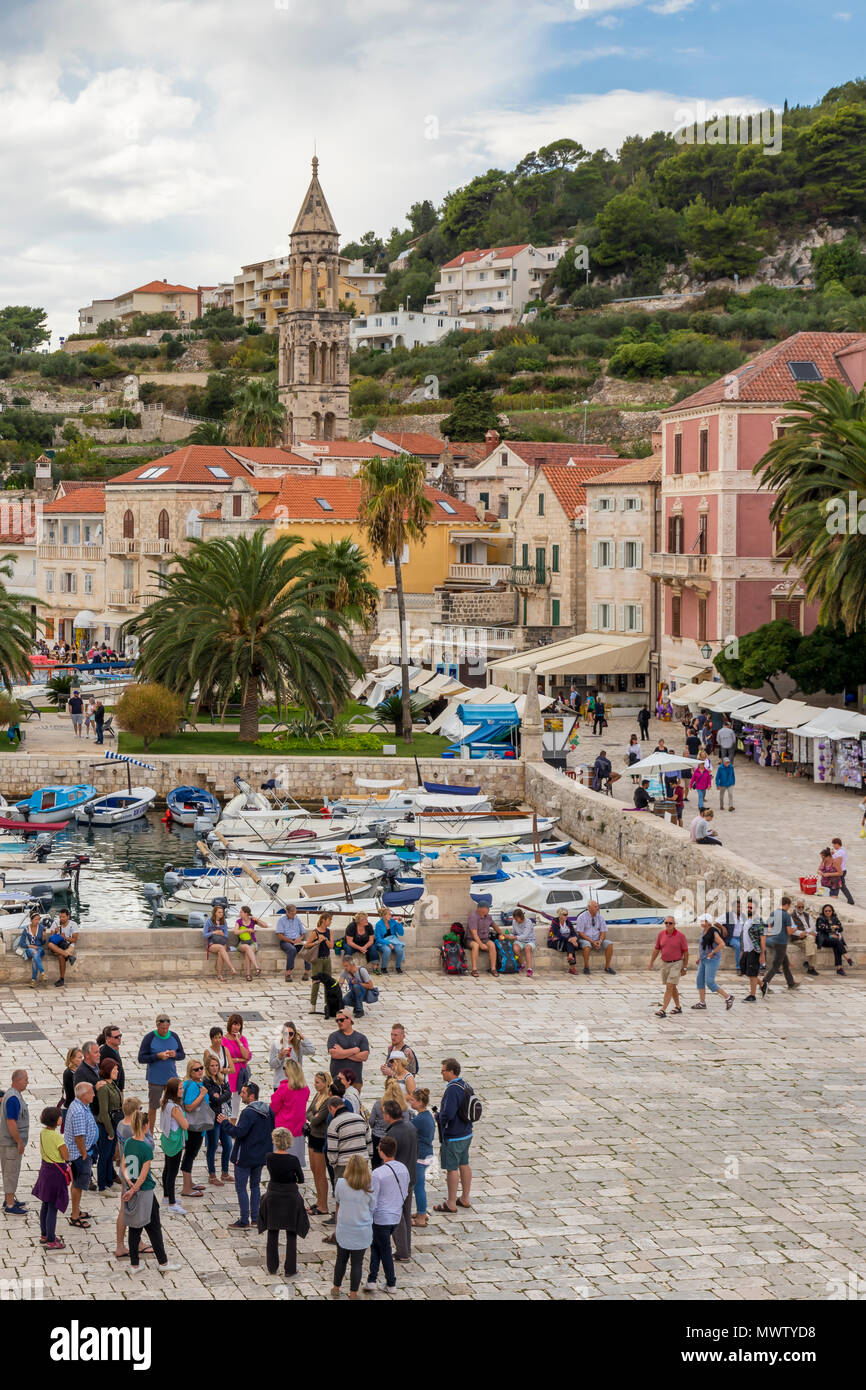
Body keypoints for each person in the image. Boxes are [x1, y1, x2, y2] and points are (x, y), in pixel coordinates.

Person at [121, 1107, 180, 1275]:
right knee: (151, 1226)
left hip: (132, 1189)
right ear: (146, 1126)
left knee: (135, 1226)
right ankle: (163, 1262)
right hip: (143, 1191)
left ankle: (135, 1264)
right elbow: (143, 1175)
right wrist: (134, 1189)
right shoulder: (146, 1148)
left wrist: (128, 1183)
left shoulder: (128, 1142)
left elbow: (124, 1165)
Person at [218, 1082, 274, 1229]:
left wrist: (225, 1123)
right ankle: (255, 1218)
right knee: (255, 1186)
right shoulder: (268, 1110)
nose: (241, 1095)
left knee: (241, 1188)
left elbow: (238, 1133)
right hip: (261, 1156)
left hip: (245, 1157)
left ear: (252, 1096)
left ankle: (244, 1220)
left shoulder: (248, 1113)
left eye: (243, 1093)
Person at [258, 1127, 309, 1278]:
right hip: (290, 1197)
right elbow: (301, 1179)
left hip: (273, 1195)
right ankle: (290, 1269)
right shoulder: (293, 1160)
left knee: (272, 1232)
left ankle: (272, 1267)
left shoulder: (269, 1157)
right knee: (291, 1233)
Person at [366, 1134, 410, 1292]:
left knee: (384, 1249)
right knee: (376, 1246)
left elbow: (373, 1198)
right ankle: (371, 1279)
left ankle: (391, 1283)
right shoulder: (403, 1168)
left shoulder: (378, 1174)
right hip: (396, 1216)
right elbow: (405, 1192)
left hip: (381, 1217)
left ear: (381, 1152)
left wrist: (368, 1215)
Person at [332, 1155, 376, 1300]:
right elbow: (372, 1207)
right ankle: (352, 1294)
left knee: (341, 1260)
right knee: (357, 1263)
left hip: (344, 1228)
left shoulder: (341, 1184)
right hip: (362, 1230)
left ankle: (336, 1288)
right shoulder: (369, 1186)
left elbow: (337, 1202)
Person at [113, 1096, 152, 1260]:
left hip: (127, 1170)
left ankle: (136, 1242)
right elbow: (148, 1146)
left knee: (129, 1208)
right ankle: (122, 1245)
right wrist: (147, 1131)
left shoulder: (121, 1124)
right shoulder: (130, 1129)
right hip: (133, 1173)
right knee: (129, 1208)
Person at [434, 1058, 473, 1214]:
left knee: (451, 1169)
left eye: (443, 1070)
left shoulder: (452, 1089)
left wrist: (438, 1117)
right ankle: (465, 1198)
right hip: (466, 1132)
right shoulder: (465, 1085)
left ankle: (451, 1203)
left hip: (454, 1135)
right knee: (464, 1164)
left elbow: (448, 1114)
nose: (441, 1073)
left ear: (451, 1071)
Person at [381, 1098, 417, 1262]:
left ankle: (402, 1252)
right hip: (410, 1176)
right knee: (406, 1214)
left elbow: (388, 1158)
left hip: (397, 1180)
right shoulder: (410, 1126)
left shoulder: (392, 1134)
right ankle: (406, 1248)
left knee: (397, 1216)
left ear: (388, 1115)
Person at [138, 1014, 185, 1133]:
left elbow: (182, 1055)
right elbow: (141, 1058)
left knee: (175, 1106)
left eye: (166, 1028)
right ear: (157, 1026)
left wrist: (175, 1055)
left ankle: (173, 1132)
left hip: (172, 1079)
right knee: (153, 1107)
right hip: (155, 1080)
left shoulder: (174, 1036)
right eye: (162, 1028)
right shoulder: (149, 1037)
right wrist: (157, 1056)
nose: (165, 1030)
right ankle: (150, 1133)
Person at [32, 1107, 69, 1252]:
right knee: (53, 1206)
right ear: (56, 1120)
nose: (62, 1118)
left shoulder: (43, 1132)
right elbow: (65, 1156)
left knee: (45, 1203)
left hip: (45, 1170)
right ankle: (51, 1239)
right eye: (60, 1116)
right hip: (56, 1173)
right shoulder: (57, 1137)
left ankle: (44, 1234)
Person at [65, 1081, 99, 1228]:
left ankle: (77, 1209)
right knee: (78, 1185)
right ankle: (74, 1216)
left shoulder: (81, 1105)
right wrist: (84, 1154)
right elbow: (79, 1136)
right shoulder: (78, 1111)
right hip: (80, 1155)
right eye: (91, 1092)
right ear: (84, 1095)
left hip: (82, 1152)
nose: (94, 1094)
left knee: (77, 1184)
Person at [325, 1092, 372, 1196]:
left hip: (343, 1165)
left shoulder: (334, 1124)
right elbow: (369, 1142)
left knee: (342, 1198)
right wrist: (367, 1158)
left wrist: (334, 1165)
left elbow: (332, 1151)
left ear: (332, 1108)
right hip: (362, 1162)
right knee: (362, 1194)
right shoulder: (360, 1119)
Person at [180, 1060, 211, 1200]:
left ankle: (190, 1182)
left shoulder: (194, 1083)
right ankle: (186, 1187)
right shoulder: (193, 1085)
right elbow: (189, 1107)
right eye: (196, 1069)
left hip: (195, 1125)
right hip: (194, 1127)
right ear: (190, 1072)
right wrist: (202, 1095)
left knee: (191, 1155)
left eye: (201, 1068)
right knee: (190, 1155)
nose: (200, 1071)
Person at [0, 1069, 29, 1216]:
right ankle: (10, 1205)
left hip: (10, 1142)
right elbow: (11, 1122)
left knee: (10, 1171)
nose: (27, 1082)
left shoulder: (13, 1095)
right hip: (11, 1143)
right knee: (10, 1173)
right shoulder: (12, 1098)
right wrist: (19, 1141)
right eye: (25, 1079)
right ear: (17, 1081)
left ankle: (9, 1199)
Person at [158, 1077, 189, 1214]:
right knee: (172, 1172)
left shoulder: (164, 1102)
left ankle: (166, 1196)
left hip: (167, 1138)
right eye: (180, 1088)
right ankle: (172, 1203)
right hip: (175, 1141)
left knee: (167, 1168)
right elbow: (185, 1125)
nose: (182, 1090)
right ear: (174, 1091)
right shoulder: (175, 1108)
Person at [270, 1060, 309, 1165]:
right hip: (298, 1127)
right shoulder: (305, 1089)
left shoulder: (283, 1088)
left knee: (282, 1160)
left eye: (284, 1068)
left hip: (283, 1127)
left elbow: (273, 1108)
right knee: (296, 1157)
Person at [649, 917, 689, 1019]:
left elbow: (686, 952)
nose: (668, 924)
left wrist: (684, 967)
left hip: (677, 963)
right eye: (666, 922)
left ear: (674, 924)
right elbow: (657, 949)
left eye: (670, 923)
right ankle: (678, 1007)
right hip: (664, 964)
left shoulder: (681, 936)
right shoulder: (661, 934)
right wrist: (651, 962)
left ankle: (663, 1010)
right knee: (672, 986)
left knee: (669, 986)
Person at [691, 918, 734, 1011]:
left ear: (708, 922)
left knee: (710, 982)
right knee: (699, 980)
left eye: (704, 921)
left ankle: (728, 997)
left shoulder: (713, 932)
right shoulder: (704, 931)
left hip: (712, 960)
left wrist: (713, 952)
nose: (701, 922)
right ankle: (702, 1003)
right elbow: (704, 946)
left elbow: (722, 944)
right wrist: (700, 958)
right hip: (704, 959)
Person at [202, 1055, 232, 1186]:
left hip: (224, 1116)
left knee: (228, 1145)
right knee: (213, 1145)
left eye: (216, 1065)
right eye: (212, 1066)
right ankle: (212, 1175)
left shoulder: (221, 1078)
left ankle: (225, 1172)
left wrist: (222, 1095)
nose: (214, 1068)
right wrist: (222, 1095)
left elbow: (229, 1093)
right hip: (213, 1117)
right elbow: (216, 1100)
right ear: (208, 1067)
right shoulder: (206, 1081)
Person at [305, 1072, 332, 1216]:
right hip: (312, 1136)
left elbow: (316, 1119)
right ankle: (319, 1200)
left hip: (320, 1137)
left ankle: (324, 1205)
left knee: (321, 1173)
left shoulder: (327, 1099)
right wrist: (312, 1116)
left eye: (317, 1083)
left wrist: (312, 1117)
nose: (315, 1085)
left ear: (325, 1083)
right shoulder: (318, 1095)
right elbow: (308, 1112)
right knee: (314, 1170)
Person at [760, 896, 799, 995]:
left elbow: (768, 925)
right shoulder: (786, 915)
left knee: (785, 963)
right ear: (787, 905)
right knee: (776, 965)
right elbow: (789, 931)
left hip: (772, 940)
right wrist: (794, 929)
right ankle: (764, 983)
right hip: (781, 942)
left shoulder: (774, 912)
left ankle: (791, 983)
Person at [408, 1088, 435, 1228]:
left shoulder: (419, 1119)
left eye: (412, 1100)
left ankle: (421, 1217)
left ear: (420, 1102)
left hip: (421, 1156)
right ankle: (421, 1212)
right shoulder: (427, 1115)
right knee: (420, 1186)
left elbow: (407, 1129)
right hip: (427, 1153)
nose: (410, 1102)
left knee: (419, 1187)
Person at [95, 1058, 123, 1192]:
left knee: (110, 1154)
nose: (117, 1071)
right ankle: (102, 1185)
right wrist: (110, 1131)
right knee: (104, 1155)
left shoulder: (113, 1085)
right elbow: (104, 1112)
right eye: (114, 1069)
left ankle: (109, 1181)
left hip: (114, 1124)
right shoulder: (103, 1088)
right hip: (106, 1125)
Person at [573, 900, 616, 976]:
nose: (597, 908)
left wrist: (600, 940)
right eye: (595, 907)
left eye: (597, 906)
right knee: (586, 945)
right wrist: (592, 942)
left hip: (597, 939)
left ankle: (607, 967)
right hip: (585, 939)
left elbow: (603, 931)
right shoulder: (582, 917)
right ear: (589, 908)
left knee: (609, 944)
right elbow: (580, 933)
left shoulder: (600, 918)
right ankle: (586, 967)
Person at [327, 1009, 370, 1084]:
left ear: (349, 1020)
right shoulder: (333, 1036)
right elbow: (334, 1054)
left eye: (341, 1020)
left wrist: (342, 1052)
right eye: (337, 1020)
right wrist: (353, 1051)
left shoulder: (361, 1037)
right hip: (337, 1081)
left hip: (355, 1081)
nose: (339, 1022)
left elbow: (364, 1057)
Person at [222, 1013, 252, 1119]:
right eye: (234, 1024)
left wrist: (239, 1042)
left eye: (238, 1025)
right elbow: (225, 1058)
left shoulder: (242, 1039)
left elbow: (247, 1056)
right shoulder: (223, 1040)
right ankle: (226, 1118)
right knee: (226, 1097)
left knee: (237, 1098)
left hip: (240, 1074)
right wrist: (239, 1059)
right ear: (230, 1024)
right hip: (230, 1072)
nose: (236, 1027)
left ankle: (233, 1120)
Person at [269, 1020, 314, 1090]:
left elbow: (311, 1050)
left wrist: (303, 1037)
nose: (288, 1036)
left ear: (294, 1034)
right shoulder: (276, 1045)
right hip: (280, 1084)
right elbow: (272, 1065)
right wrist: (280, 1055)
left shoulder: (297, 1045)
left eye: (291, 1033)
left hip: (294, 1083)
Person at [306, 911, 334, 1013]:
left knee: (328, 983)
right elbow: (307, 945)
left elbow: (331, 946)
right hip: (317, 960)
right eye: (329, 920)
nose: (330, 922)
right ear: (323, 920)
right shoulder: (315, 932)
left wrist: (325, 940)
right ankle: (313, 1005)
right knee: (316, 982)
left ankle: (327, 1005)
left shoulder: (329, 931)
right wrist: (318, 941)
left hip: (327, 959)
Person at [816, 903, 855, 976]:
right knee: (837, 942)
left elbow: (840, 928)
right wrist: (833, 929)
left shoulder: (835, 918)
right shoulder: (820, 919)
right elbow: (821, 928)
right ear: (823, 912)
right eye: (826, 911)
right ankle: (847, 958)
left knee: (837, 944)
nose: (828, 912)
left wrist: (831, 927)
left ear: (832, 911)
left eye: (829, 911)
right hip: (824, 939)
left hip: (834, 940)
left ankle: (839, 968)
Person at [275, 903, 310, 982]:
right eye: (292, 914)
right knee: (292, 949)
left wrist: (300, 938)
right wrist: (291, 941)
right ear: (287, 912)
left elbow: (303, 933)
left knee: (307, 948)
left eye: (295, 913)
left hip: (297, 941)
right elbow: (279, 935)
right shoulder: (281, 920)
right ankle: (288, 973)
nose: (293, 915)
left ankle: (307, 972)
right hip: (286, 941)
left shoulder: (297, 919)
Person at [45, 907, 78, 988]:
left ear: (68, 917)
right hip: (57, 945)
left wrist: (65, 937)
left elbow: (74, 940)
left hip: (68, 945)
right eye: (60, 917)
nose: (61, 919)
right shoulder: (55, 923)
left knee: (61, 956)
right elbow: (52, 938)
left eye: (63, 917)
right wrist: (55, 932)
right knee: (50, 945)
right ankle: (69, 957)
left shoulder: (73, 925)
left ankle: (62, 979)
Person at [339, 952, 379, 1018]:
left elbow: (371, 986)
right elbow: (339, 984)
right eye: (344, 966)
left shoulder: (362, 970)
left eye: (346, 966)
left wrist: (358, 983)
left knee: (356, 986)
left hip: (365, 992)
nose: (345, 968)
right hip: (354, 992)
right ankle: (358, 1006)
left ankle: (359, 1010)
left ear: (352, 965)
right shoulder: (345, 972)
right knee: (345, 1000)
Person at [202, 906, 236, 983]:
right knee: (221, 948)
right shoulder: (209, 921)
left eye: (222, 912)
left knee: (221, 952)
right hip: (211, 944)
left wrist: (222, 934)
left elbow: (227, 936)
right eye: (219, 912)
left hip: (221, 942)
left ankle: (219, 975)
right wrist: (214, 932)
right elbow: (204, 935)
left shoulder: (224, 922)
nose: (221, 914)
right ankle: (231, 967)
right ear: (215, 913)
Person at [466, 900, 497, 977]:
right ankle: (474, 969)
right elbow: (474, 934)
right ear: (481, 909)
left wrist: (503, 934)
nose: (489, 910)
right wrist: (481, 945)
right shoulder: (473, 917)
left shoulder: (489, 917)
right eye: (488, 908)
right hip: (471, 939)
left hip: (485, 939)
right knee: (476, 945)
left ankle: (493, 968)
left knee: (492, 944)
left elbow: (495, 926)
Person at [18, 910, 47, 987]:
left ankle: (33, 980)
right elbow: (22, 943)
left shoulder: (41, 928)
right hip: (29, 949)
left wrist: (44, 937)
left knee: (35, 958)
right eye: (36, 919)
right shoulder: (26, 929)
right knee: (33, 952)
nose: (38, 921)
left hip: (40, 949)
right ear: (31, 920)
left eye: (39, 919)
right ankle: (42, 972)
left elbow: (43, 943)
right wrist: (31, 946)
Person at [373, 907, 405, 975]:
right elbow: (378, 938)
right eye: (389, 914)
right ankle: (383, 968)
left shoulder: (392, 922)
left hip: (393, 940)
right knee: (387, 950)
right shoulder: (378, 924)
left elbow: (401, 933)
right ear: (384, 915)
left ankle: (398, 967)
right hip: (382, 942)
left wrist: (399, 923)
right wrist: (388, 943)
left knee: (400, 949)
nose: (391, 916)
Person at [790, 899, 819, 976]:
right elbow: (793, 930)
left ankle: (808, 963)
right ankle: (811, 968)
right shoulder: (791, 917)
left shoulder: (807, 915)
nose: (801, 908)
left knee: (814, 944)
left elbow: (813, 927)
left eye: (802, 907)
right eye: (799, 907)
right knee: (812, 942)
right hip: (798, 939)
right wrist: (805, 933)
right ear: (795, 907)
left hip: (807, 937)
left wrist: (806, 932)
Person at [234, 906, 263, 981]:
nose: (239, 913)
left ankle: (248, 975)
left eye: (241, 912)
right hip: (242, 943)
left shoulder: (252, 921)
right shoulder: (239, 921)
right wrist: (246, 930)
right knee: (247, 948)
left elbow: (265, 925)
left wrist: (257, 919)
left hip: (253, 942)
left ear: (246, 913)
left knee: (248, 951)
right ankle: (257, 967)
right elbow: (235, 932)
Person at [98, 1024, 125, 1091]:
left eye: (120, 1036)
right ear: (108, 1039)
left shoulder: (114, 1049)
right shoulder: (106, 1053)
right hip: (113, 1090)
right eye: (116, 1037)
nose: (119, 1038)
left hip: (118, 1089)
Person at [60, 1047, 82, 1126]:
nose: (81, 1060)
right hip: (71, 1108)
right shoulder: (69, 1073)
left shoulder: (77, 1071)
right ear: (72, 1059)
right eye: (79, 1058)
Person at [510, 908, 535, 976]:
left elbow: (525, 936)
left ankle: (529, 969)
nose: (515, 920)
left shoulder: (528, 922)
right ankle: (521, 964)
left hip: (530, 940)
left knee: (527, 948)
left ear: (521, 916)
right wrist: (509, 935)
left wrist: (514, 937)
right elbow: (513, 932)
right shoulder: (514, 922)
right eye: (514, 918)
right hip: (519, 941)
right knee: (515, 949)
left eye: (516, 918)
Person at [831, 837, 855, 905]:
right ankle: (850, 900)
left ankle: (850, 900)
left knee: (841, 886)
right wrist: (833, 854)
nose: (833, 846)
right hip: (843, 870)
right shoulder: (842, 850)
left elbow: (837, 862)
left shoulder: (839, 852)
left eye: (834, 845)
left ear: (837, 844)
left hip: (840, 871)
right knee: (840, 885)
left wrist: (831, 856)